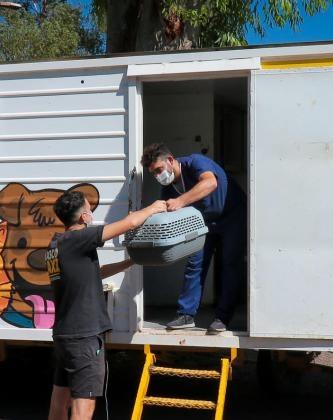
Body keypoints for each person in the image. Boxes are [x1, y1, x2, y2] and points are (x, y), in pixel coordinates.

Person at [46, 190, 166, 420]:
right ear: (82, 217)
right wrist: (153, 208)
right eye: (89, 209)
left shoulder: (56, 244)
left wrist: (130, 262)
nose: (91, 213)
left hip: (65, 335)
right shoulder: (79, 239)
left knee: (60, 402)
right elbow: (129, 222)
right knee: (84, 407)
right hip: (84, 336)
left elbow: (94, 273)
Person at [141, 143, 247, 333]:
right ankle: (185, 315)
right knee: (195, 263)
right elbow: (165, 211)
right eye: (153, 173)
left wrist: (181, 200)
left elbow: (210, 183)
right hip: (205, 221)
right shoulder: (168, 188)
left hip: (232, 216)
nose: (158, 176)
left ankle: (222, 318)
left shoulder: (196, 162)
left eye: (159, 169)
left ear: (170, 160)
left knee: (230, 264)